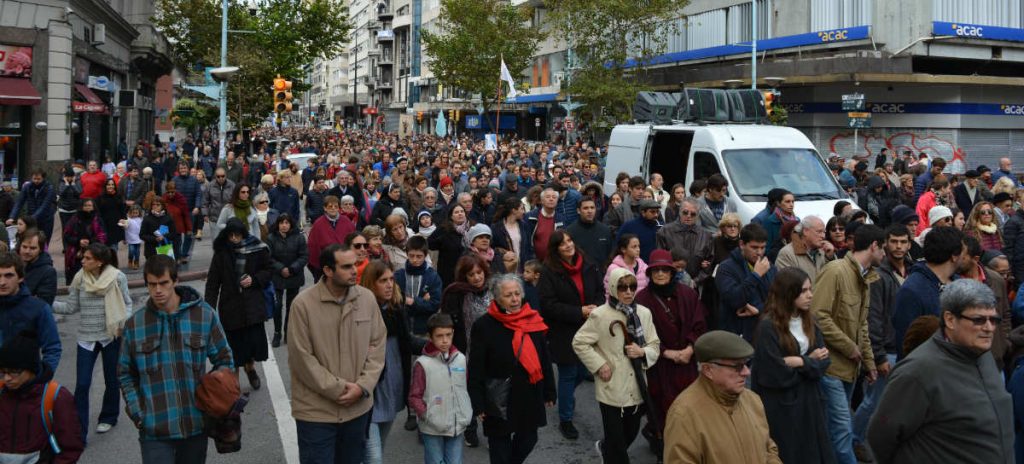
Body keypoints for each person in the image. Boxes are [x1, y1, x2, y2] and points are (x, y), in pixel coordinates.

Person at [868, 279, 1013, 463]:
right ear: (950, 320)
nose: (989, 328)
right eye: (978, 320)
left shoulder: (985, 357)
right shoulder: (918, 371)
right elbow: (881, 435)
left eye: (993, 320)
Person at [119, 256, 234, 463]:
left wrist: (216, 397)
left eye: (163, 283)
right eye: (152, 284)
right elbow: (125, 373)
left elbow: (224, 359)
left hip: (195, 425)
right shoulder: (135, 326)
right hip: (154, 430)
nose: (158, 290)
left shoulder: (203, 315)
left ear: (175, 281)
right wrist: (138, 413)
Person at [288, 244, 387, 464]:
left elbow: (378, 344)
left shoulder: (367, 299)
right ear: (328, 270)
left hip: (357, 410)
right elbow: (301, 358)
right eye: (346, 266)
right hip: (316, 414)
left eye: (355, 264)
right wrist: (340, 390)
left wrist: (362, 386)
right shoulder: (303, 305)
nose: (354, 270)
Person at [812, 223, 884, 464]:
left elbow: (861, 325)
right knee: (842, 432)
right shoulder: (836, 271)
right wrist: (849, 347)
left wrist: (870, 363)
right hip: (831, 368)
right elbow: (818, 315)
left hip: (850, 369)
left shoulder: (866, 278)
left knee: (837, 431)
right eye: (882, 248)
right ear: (874, 246)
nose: (884, 254)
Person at [573, 268, 661, 463]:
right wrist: (599, 364)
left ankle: (605, 448)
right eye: (622, 288)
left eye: (632, 287)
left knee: (630, 432)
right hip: (611, 386)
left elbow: (654, 344)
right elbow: (579, 342)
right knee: (617, 442)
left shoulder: (644, 313)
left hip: (637, 385)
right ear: (613, 288)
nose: (628, 292)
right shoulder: (600, 315)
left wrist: (642, 352)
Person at [467, 274, 555, 464]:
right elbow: (476, 367)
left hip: (529, 393)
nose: (515, 299)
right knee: (499, 447)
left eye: (517, 294)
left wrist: (549, 390)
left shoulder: (533, 321)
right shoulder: (484, 325)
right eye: (508, 295)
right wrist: (477, 401)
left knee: (529, 439)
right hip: (499, 397)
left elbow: (544, 358)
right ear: (498, 298)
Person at [751, 267, 834, 464]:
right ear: (789, 293)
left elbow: (824, 362)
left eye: (810, 290)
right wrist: (810, 362)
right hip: (784, 407)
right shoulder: (768, 327)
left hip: (810, 402)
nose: (810, 295)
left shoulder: (809, 321)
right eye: (804, 291)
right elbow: (774, 374)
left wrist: (798, 361)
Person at [663, 330, 781, 463]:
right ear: (708, 370)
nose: (747, 372)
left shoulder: (752, 400)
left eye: (746, 364)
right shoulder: (684, 414)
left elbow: (768, 448)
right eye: (738, 366)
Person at [54, 243, 131, 442]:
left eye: (87, 258)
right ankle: (80, 430)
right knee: (82, 384)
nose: (83, 261)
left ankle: (108, 417)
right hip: (86, 338)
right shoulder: (79, 278)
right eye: (83, 258)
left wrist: (124, 322)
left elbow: (127, 302)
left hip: (110, 335)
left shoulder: (117, 277)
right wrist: (47, 302)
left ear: (99, 262)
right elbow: (71, 307)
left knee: (112, 380)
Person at [634, 249, 706, 457]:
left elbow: (699, 324)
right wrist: (667, 353)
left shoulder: (688, 294)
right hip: (659, 365)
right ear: (649, 274)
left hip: (686, 362)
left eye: (665, 270)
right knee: (660, 408)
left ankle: (687, 448)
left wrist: (690, 348)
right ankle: (662, 446)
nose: (660, 274)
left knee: (689, 406)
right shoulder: (642, 299)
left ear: (672, 272)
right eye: (656, 271)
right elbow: (640, 336)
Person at [536, 229, 604, 440]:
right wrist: (579, 311)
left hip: (590, 327)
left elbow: (601, 291)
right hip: (564, 330)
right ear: (555, 249)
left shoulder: (588, 263)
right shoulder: (549, 271)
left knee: (583, 370)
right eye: (562, 243)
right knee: (568, 373)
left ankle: (564, 398)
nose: (568, 245)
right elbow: (548, 305)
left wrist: (597, 306)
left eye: (570, 240)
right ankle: (566, 418)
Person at [205, 218, 271, 390]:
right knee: (233, 348)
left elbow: (269, 270)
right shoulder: (221, 253)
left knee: (251, 345)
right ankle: (234, 383)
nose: (234, 239)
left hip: (252, 307)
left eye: (238, 235)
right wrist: (208, 309)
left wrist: (254, 279)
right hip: (231, 308)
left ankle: (250, 369)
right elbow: (213, 283)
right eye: (231, 235)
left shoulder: (257, 248)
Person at [0, 330, 84, 462]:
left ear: (32, 369)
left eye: (14, 372)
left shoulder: (56, 397)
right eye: (3, 372)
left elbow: (70, 448)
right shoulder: (2, 392)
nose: (7, 378)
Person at [360, 261, 414, 464]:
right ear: (371, 284)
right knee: (374, 457)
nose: (390, 284)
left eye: (391, 279)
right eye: (383, 280)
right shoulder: (361, 313)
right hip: (370, 392)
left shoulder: (396, 310)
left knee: (377, 450)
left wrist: (434, 344)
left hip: (392, 386)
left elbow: (407, 342)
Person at [437, 254, 492, 448]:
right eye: (471, 274)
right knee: (468, 390)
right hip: (465, 348)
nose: (477, 278)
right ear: (464, 276)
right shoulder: (456, 293)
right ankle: (470, 429)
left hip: (491, 349)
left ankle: (491, 427)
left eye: (479, 273)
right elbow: (447, 322)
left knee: (491, 390)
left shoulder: (494, 289)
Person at [893, 227, 970, 356]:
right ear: (954, 256)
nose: (965, 257)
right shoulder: (912, 291)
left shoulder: (960, 285)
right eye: (963, 252)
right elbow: (905, 344)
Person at [409, 313, 471, 464]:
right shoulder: (423, 363)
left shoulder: (461, 359)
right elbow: (414, 396)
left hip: (457, 423)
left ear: (453, 334)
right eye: (439, 336)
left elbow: (464, 387)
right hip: (432, 427)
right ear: (430, 337)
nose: (445, 340)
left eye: (448, 335)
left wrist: (466, 411)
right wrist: (427, 415)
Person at [716, 223, 776, 341]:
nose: (759, 252)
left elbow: (777, 298)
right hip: (737, 335)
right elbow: (734, 299)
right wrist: (756, 276)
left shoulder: (770, 267)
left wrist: (759, 310)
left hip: (766, 332)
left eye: (763, 247)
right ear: (742, 244)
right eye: (754, 247)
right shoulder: (726, 268)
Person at [266, 213, 308, 347]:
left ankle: (288, 332)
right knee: (277, 305)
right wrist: (281, 268)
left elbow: (304, 256)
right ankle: (277, 332)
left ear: (291, 224)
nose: (284, 226)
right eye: (281, 223)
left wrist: (291, 268)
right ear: (277, 224)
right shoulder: (271, 238)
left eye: (287, 223)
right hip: (277, 276)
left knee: (292, 306)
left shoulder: (299, 238)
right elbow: (268, 257)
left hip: (294, 275)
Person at [656, 198, 715, 292]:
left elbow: (709, 263)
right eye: (685, 212)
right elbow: (660, 260)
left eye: (693, 214)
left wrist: (695, 281)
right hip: (669, 284)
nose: (688, 216)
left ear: (698, 215)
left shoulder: (706, 236)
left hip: (695, 286)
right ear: (680, 212)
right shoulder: (664, 232)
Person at [307, 195, 356, 283]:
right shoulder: (318, 224)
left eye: (336, 206)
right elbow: (313, 246)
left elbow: (353, 241)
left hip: (344, 263)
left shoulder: (346, 221)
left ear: (339, 208)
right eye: (330, 206)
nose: (333, 208)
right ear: (325, 208)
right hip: (325, 266)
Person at [774, 215, 833, 284]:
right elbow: (787, 286)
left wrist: (829, 258)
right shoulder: (787, 253)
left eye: (824, 232)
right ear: (805, 231)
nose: (823, 236)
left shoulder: (824, 251)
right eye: (819, 232)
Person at [62, 198, 106, 286]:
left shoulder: (98, 219)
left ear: (93, 207)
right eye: (85, 206)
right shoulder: (74, 219)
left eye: (90, 205)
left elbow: (102, 236)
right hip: (75, 253)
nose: (87, 207)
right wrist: (79, 241)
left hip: (93, 252)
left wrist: (90, 242)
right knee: (75, 279)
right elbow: (66, 235)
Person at [8, 168, 56, 241]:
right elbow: (19, 202)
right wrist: (12, 216)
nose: (36, 181)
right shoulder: (27, 187)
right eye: (34, 178)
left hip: (46, 218)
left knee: (44, 240)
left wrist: (32, 218)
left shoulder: (49, 188)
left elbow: (45, 206)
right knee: (31, 239)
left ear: (43, 178)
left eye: (38, 179)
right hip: (32, 217)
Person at [429, 204, 471, 286]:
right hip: (448, 272)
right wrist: (443, 241)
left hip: (468, 269)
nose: (460, 214)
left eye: (462, 211)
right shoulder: (444, 229)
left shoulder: (472, 227)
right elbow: (430, 243)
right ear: (451, 216)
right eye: (456, 212)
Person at [565, 197, 614, 265]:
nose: (590, 211)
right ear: (578, 211)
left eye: (592, 208)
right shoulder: (570, 231)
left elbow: (610, 254)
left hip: (601, 272)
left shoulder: (605, 230)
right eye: (586, 208)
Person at [523, 188, 565, 262]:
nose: (551, 199)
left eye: (554, 197)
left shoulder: (561, 219)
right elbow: (525, 240)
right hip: (534, 261)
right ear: (542, 201)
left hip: (555, 261)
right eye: (548, 197)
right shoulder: (530, 217)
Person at [605, 234, 650, 300]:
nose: (638, 249)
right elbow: (609, 293)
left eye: (638, 246)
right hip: (620, 307)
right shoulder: (613, 269)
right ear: (623, 249)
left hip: (641, 307)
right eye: (634, 247)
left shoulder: (644, 267)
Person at [19, 229, 56, 306]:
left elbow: (43, 303)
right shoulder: (13, 264)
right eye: (24, 247)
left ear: (40, 250)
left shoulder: (48, 271)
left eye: (32, 248)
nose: (27, 251)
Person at [162, 180, 192, 264]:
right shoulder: (163, 199)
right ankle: (167, 260)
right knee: (164, 243)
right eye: (168, 192)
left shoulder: (181, 199)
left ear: (175, 190)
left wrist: (188, 228)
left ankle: (177, 259)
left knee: (177, 244)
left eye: (172, 192)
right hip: (164, 226)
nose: (170, 194)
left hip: (177, 227)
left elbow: (186, 215)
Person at [139, 196, 177, 262]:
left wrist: (164, 237)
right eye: (153, 204)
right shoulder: (147, 218)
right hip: (151, 250)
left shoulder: (168, 218)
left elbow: (173, 233)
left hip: (165, 249)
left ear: (162, 206)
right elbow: (142, 235)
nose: (155, 206)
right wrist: (154, 239)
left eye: (158, 204)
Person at [203, 167, 235, 234]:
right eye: (218, 176)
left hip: (228, 218)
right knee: (216, 240)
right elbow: (205, 200)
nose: (221, 178)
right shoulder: (210, 186)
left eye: (223, 176)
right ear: (215, 176)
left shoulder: (232, 185)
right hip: (214, 218)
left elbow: (236, 199)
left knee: (229, 240)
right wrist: (205, 214)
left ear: (226, 176)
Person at [97, 178, 126, 248]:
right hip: (104, 225)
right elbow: (98, 212)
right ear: (105, 186)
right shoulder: (100, 198)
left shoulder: (118, 197)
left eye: (112, 184)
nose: (111, 186)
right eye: (108, 184)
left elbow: (122, 211)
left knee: (114, 248)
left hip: (115, 225)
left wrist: (124, 221)